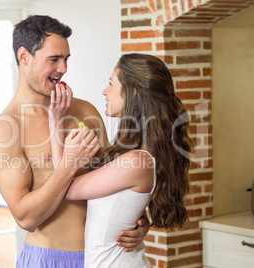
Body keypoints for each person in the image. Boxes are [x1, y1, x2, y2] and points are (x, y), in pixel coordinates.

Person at [0, 15, 149, 268]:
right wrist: (68, 165)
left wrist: (140, 221)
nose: (63, 68)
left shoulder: (86, 111)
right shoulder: (6, 130)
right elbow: (25, 217)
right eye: (54, 59)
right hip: (50, 259)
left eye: (66, 59)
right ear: (24, 56)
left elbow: (116, 182)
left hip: (106, 257)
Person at [49, 53, 193, 267]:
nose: (104, 92)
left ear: (132, 91)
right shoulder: (138, 154)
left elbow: (65, 189)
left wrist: (55, 122)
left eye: (110, 84)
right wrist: (140, 222)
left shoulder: (136, 161)